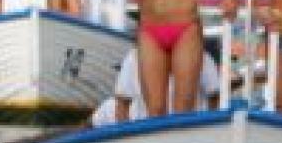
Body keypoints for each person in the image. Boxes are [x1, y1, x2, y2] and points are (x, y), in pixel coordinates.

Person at [89, 47, 221, 126]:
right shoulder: (134, 58)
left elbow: (216, 101)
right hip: (138, 129)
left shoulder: (202, 58)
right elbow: (121, 107)